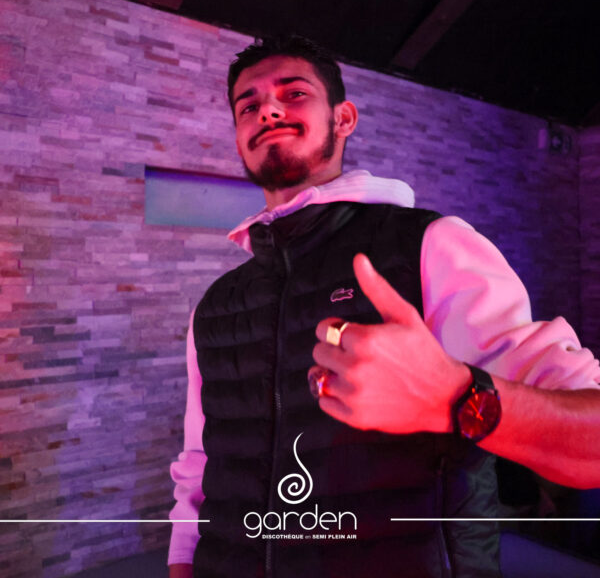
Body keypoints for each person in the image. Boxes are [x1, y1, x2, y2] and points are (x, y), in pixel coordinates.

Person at [168, 36, 600, 578]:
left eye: (294, 93)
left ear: (344, 119)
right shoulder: (214, 307)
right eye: (248, 105)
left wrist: (457, 397)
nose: (268, 110)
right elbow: (199, 469)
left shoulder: (432, 246)